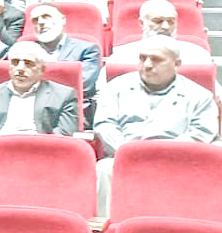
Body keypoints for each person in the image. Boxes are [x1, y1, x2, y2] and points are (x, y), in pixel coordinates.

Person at [94, 39, 221, 212]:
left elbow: (201, 133)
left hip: (180, 160)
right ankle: (107, 231)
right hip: (127, 156)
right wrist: (130, 152)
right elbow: (105, 125)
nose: (147, 65)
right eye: (142, 58)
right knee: (104, 169)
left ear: (177, 64)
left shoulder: (199, 96)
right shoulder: (115, 88)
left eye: (156, 59)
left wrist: (162, 155)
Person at [0, 41, 80, 187]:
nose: (20, 68)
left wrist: (34, 152)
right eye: (15, 62)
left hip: (41, 158)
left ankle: (3, 186)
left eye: (28, 63)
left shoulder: (64, 94)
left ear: (42, 69)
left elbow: (64, 134)